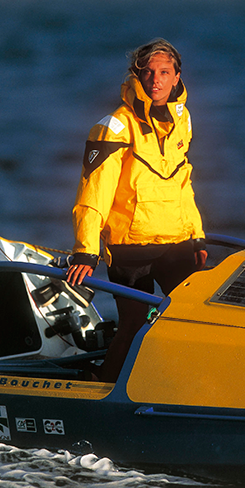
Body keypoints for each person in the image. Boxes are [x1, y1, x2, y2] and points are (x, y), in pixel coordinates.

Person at [66, 38, 207, 382]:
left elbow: (182, 183)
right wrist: (86, 252)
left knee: (192, 320)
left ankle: (182, 383)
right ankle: (107, 388)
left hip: (176, 245)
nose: (156, 80)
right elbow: (93, 194)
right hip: (131, 249)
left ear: (177, 77)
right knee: (133, 324)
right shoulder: (114, 126)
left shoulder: (182, 120)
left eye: (164, 72)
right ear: (136, 76)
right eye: (148, 73)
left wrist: (197, 235)